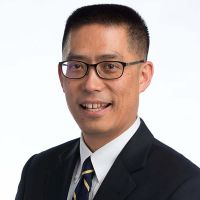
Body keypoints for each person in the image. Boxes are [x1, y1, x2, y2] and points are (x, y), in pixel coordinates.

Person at [15, 4, 200, 200]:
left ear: (143, 76)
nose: (91, 84)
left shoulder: (185, 187)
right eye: (77, 66)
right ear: (62, 77)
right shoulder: (37, 170)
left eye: (110, 66)